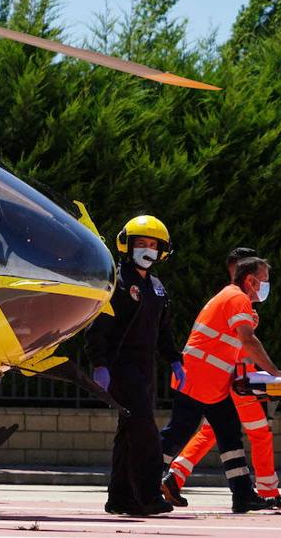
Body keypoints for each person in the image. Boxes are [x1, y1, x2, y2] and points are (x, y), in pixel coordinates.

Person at [158, 256, 281, 513]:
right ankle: (144, 480)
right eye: (264, 281)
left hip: (209, 381)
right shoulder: (238, 299)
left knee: (227, 433)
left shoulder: (232, 298)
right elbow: (249, 342)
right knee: (178, 433)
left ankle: (243, 494)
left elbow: (231, 346)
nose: (266, 286)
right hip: (201, 379)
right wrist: (276, 372)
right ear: (250, 280)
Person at [85, 215, 183, 516]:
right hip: (121, 366)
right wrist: (100, 364)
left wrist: (176, 360)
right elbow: (97, 328)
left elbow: (163, 330)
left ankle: (120, 498)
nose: (147, 250)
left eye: (153, 245)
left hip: (145, 368)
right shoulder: (117, 281)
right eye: (141, 243)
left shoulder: (156, 286)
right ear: (126, 246)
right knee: (145, 433)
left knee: (128, 432)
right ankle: (148, 497)